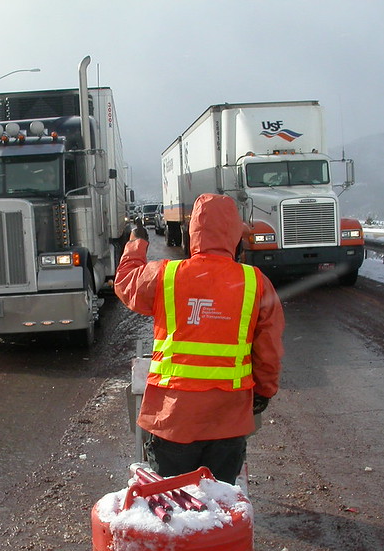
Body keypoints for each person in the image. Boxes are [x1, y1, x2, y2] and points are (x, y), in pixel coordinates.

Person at [114, 193, 285, 485]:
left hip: (172, 420)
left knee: (175, 511)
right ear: (234, 236)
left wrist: (136, 242)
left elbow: (126, 283)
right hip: (228, 422)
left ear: (193, 233)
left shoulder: (166, 276)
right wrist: (264, 391)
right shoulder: (255, 282)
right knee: (218, 505)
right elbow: (268, 349)